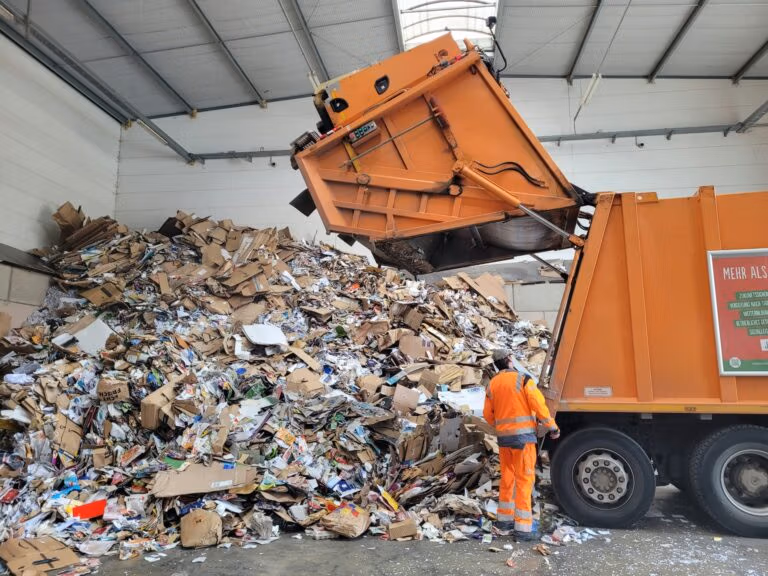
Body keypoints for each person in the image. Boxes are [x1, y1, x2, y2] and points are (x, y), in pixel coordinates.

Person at [483, 349, 560, 541]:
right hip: (523, 440)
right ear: (509, 360)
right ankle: (523, 528)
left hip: (504, 440)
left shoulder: (492, 384)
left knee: (507, 478)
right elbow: (538, 405)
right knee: (525, 479)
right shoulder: (523, 379)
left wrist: (502, 426)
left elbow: (487, 414)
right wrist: (552, 426)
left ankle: (504, 521)